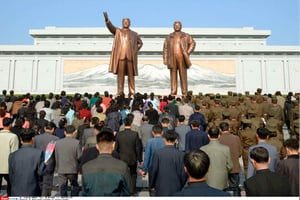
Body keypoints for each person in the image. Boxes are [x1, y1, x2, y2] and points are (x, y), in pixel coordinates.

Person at [103, 12, 143, 96]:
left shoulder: (134, 34)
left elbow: (140, 43)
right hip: (121, 56)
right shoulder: (118, 31)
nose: (126, 23)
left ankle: (132, 92)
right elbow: (111, 28)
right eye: (124, 22)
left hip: (130, 57)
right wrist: (107, 20)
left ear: (129, 23)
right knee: (120, 76)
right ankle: (120, 91)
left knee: (131, 76)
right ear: (122, 23)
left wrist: (135, 50)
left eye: (127, 22)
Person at [82, 129, 131, 196]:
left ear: (97, 146)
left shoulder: (86, 167)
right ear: (113, 146)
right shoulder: (122, 166)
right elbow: (127, 192)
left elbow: (84, 193)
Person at [149, 130, 187, 196]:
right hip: (176, 187)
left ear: (164, 139)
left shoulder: (158, 153)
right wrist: (181, 184)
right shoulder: (181, 154)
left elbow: (153, 170)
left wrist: (152, 185)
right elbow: (183, 173)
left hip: (160, 187)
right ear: (175, 140)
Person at [9, 129, 46, 196]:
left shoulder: (13, 155)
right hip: (33, 190)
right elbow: (41, 173)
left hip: (16, 191)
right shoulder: (39, 153)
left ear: (21, 139)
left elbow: (11, 175)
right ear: (32, 139)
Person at [163, 21, 196, 96]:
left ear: (181, 26)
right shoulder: (169, 37)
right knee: (173, 75)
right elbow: (165, 48)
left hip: (182, 57)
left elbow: (193, 43)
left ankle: (184, 92)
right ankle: (173, 91)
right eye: (175, 25)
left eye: (178, 25)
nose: (177, 26)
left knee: (183, 75)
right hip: (172, 58)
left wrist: (187, 52)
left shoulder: (186, 36)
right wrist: (165, 59)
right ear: (173, 26)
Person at [115, 117, 143, 195]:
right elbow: (138, 147)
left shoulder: (119, 134)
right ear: (131, 124)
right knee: (133, 174)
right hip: (132, 157)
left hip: (122, 157)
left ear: (124, 124)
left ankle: (122, 189)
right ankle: (132, 191)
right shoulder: (134, 134)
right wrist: (140, 159)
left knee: (122, 174)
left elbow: (116, 147)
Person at [200, 126, 233, 191]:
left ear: (208, 136)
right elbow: (230, 166)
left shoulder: (202, 149)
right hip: (222, 178)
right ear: (219, 136)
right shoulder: (225, 148)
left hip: (207, 179)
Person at [33, 122, 59, 196]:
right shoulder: (56, 139)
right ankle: (46, 196)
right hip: (50, 163)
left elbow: (34, 149)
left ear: (44, 128)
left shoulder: (37, 138)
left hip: (38, 162)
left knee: (39, 180)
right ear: (53, 129)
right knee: (47, 182)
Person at [54, 125, 81, 196]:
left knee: (62, 187)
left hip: (61, 168)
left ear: (65, 132)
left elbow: (56, 156)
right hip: (72, 168)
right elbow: (79, 157)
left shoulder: (58, 142)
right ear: (74, 133)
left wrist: (57, 166)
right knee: (75, 186)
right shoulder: (77, 142)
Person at [219, 122, 242, 196]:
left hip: (222, 167)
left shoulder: (219, 139)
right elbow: (239, 153)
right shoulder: (236, 138)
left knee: (222, 188)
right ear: (229, 129)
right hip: (234, 166)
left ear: (220, 130)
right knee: (235, 187)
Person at [0, 118, 19, 196]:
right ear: (10, 124)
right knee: (10, 186)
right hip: (8, 166)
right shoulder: (13, 137)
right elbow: (14, 153)